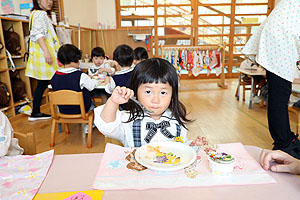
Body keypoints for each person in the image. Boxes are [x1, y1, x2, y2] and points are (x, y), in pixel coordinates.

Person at [94, 58, 207, 147]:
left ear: (172, 95)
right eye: (148, 91)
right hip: (138, 174)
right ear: (136, 92)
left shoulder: (177, 120)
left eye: (163, 93)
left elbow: (180, 144)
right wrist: (113, 102)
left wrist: (192, 145)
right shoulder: (128, 120)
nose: (156, 100)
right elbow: (106, 127)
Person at [242, 0, 300, 159]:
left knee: (279, 95)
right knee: (280, 95)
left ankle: (285, 141)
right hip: (280, 38)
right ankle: (284, 144)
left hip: (279, 34)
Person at [51, 44, 98, 134]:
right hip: (81, 109)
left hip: (63, 110)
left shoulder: (54, 76)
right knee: (94, 106)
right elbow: (91, 87)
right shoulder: (80, 76)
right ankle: (88, 126)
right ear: (74, 60)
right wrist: (93, 79)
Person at [26, 0, 60, 121]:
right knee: (56, 81)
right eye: (45, 0)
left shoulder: (37, 14)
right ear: (38, 1)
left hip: (42, 57)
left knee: (42, 84)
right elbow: (38, 34)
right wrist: (47, 52)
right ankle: (64, 110)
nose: (49, 2)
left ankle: (36, 112)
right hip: (44, 57)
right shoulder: (39, 14)